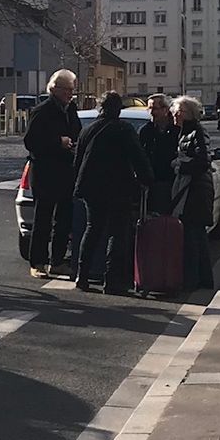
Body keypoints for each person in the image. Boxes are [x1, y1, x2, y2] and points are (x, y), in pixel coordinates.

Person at [72, 92, 153, 293]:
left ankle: (82, 276)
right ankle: (113, 280)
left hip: (91, 188)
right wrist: (147, 179)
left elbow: (78, 161)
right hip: (119, 187)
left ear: (101, 107)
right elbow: (138, 157)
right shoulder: (123, 129)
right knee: (118, 233)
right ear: (118, 110)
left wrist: (76, 185)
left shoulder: (88, 130)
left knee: (92, 230)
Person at [24, 69, 81, 279]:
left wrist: (74, 144)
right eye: (66, 89)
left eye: (72, 90)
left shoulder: (71, 110)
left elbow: (77, 132)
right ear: (54, 89)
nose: (70, 94)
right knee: (43, 220)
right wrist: (58, 142)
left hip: (66, 171)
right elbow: (31, 142)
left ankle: (57, 262)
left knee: (63, 220)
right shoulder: (42, 111)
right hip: (45, 172)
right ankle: (38, 262)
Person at [169, 96, 216, 293]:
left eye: (179, 111)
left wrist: (181, 165)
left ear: (189, 114)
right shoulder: (186, 132)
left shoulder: (196, 132)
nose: (175, 114)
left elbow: (203, 161)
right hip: (194, 189)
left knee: (192, 236)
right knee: (197, 236)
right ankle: (203, 279)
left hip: (195, 191)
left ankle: (192, 280)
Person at [138, 93, 180, 215]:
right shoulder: (146, 130)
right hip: (151, 182)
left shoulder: (176, 130)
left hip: (171, 181)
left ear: (165, 109)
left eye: (154, 108)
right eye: (149, 108)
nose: (151, 112)